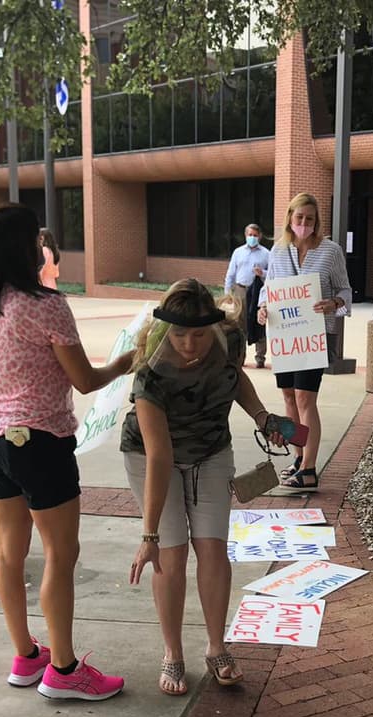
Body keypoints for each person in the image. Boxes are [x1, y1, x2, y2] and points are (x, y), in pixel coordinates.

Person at [0, 205, 134, 701]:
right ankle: (65, 669)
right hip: (40, 439)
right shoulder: (46, 305)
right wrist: (125, 362)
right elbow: (86, 380)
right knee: (60, 554)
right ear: (29, 249)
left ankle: (27, 657)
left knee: (9, 552)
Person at [123, 279, 285, 695]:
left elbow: (236, 380)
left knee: (213, 546)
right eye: (179, 334)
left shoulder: (228, 340)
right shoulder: (150, 376)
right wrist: (149, 535)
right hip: (152, 458)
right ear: (164, 330)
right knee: (171, 557)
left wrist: (262, 416)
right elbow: (159, 458)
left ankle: (216, 646)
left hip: (212, 450)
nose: (190, 344)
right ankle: (172, 652)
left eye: (198, 334)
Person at [256, 193, 351, 490]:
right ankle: (298, 458)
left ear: (316, 221)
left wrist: (334, 303)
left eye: (310, 219)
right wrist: (262, 308)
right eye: (299, 218)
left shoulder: (330, 252)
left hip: (314, 336)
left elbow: (346, 292)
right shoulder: (278, 250)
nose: (304, 223)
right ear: (289, 218)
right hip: (285, 336)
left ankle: (309, 469)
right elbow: (268, 289)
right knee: (288, 397)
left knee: (305, 398)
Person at [224, 223, 270, 368]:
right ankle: (239, 357)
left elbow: (273, 274)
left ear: (260, 236)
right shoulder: (238, 252)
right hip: (241, 290)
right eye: (250, 235)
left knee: (258, 323)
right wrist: (228, 293)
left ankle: (260, 357)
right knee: (239, 324)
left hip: (258, 291)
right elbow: (230, 273)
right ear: (245, 235)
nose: (252, 238)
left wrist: (262, 273)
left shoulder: (266, 254)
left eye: (255, 235)